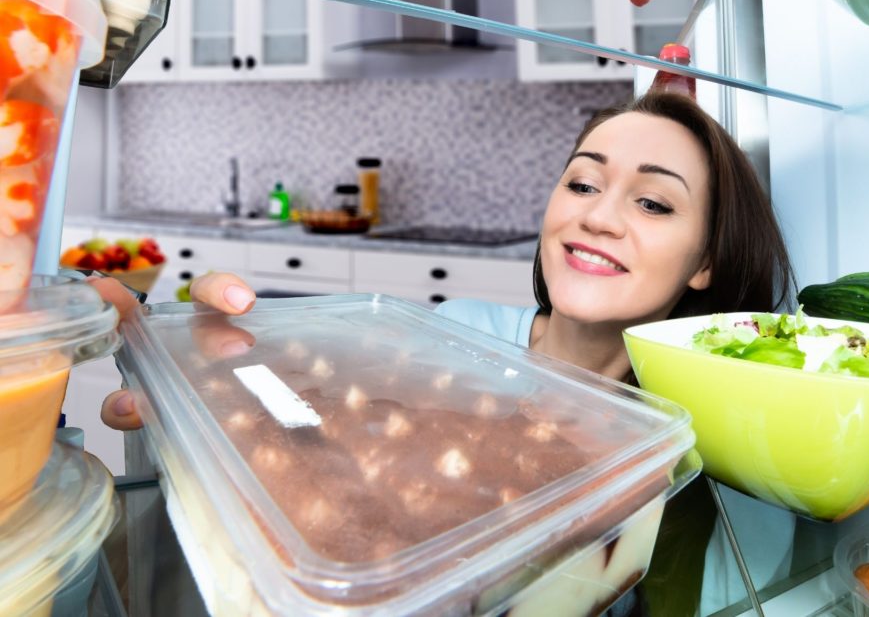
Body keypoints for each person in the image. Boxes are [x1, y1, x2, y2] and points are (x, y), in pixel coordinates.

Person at [95, 90, 796, 614]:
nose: (597, 215)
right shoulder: (454, 338)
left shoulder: (698, 444)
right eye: (582, 183)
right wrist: (215, 369)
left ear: (705, 259)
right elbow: (314, 437)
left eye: (652, 203)